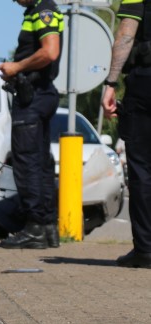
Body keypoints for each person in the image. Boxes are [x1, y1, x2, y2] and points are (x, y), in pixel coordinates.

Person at [0, 0, 64, 249]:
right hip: (39, 93)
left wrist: (16, 67)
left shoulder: (43, 11)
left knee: (27, 163)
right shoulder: (40, 10)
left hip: (33, 95)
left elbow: (49, 52)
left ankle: (35, 227)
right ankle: (47, 228)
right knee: (40, 163)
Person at [102, 0, 151, 268]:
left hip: (146, 81)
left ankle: (146, 249)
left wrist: (111, 82)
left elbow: (127, 31)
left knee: (143, 169)